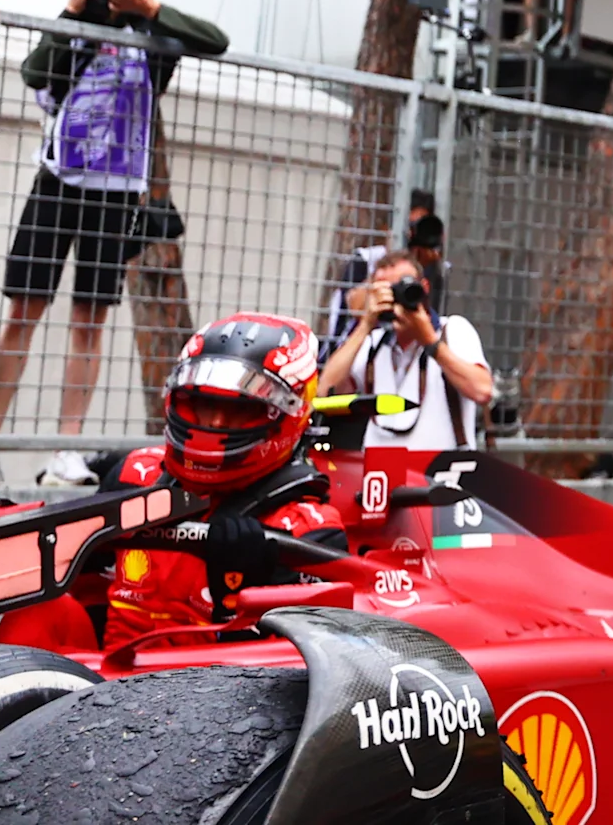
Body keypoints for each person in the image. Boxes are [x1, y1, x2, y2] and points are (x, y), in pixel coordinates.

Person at [0, 0, 230, 484]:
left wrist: (149, 7)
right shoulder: (73, 27)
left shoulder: (150, 36)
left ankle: (66, 449)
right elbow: (34, 72)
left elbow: (216, 41)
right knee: (23, 312)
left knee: (89, 321)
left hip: (117, 192)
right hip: (59, 182)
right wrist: (75, 9)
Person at [93, 314, 346, 639]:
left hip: (210, 683)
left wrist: (241, 596)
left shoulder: (308, 532)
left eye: (239, 410)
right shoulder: (134, 476)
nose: (212, 423)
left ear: (287, 415)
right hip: (99, 678)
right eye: (200, 404)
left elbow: (294, 674)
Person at [316, 248, 493, 452]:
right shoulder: (373, 344)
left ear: (424, 287)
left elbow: (482, 391)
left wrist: (429, 341)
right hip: (380, 476)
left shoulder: (452, 330)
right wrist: (365, 324)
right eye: (386, 291)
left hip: (441, 474)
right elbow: (325, 393)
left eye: (402, 288)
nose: (396, 299)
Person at [324, 191, 440, 350]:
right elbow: (354, 305)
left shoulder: (434, 267)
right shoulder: (366, 258)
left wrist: (417, 268)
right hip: (355, 346)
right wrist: (388, 271)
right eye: (410, 226)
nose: (412, 236)